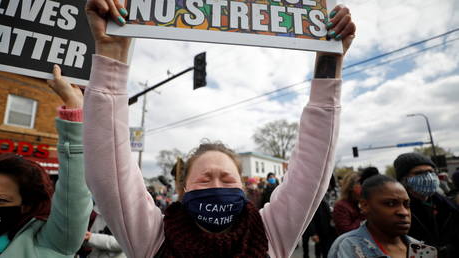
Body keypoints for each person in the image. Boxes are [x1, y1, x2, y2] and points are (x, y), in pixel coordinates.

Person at [83, 0, 356, 256]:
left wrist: (330, 58)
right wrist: (111, 55)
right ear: (182, 189)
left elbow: (312, 168)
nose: (216, 185)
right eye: (204, 179)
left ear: (243, 186)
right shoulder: (152, 236)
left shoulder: (272, 232)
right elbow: (109, 168)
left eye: (227, 180)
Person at [0, 65, 92, 257]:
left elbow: (72, 198)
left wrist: (74, 110)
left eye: (1, 200)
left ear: (26, 205)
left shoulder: (47, 243)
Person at [329, 175, 437, 258]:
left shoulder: (420, 249)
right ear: (365, 205)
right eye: (390, 203)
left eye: (406, 205)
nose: (404, 212)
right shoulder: (348, 246)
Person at [394, 152, 459, 258]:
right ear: (404, 179)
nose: (428, 176)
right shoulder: (398, 211)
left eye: (430, 171)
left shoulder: (449, 206)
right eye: (419, 173)